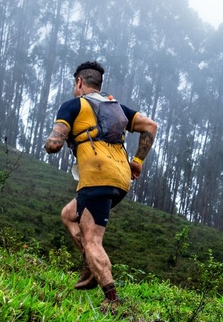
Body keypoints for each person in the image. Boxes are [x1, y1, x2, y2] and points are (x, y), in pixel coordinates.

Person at [44, 61, 158, 307]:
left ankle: (112, 300)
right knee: (68, 214)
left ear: (79, 82)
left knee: (92, 239)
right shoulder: (116, 107)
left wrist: (53, 140)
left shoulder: (73, 105)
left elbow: (54, 144)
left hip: (96, 177)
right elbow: (150, 126)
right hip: (120, 179)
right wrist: (137, 161)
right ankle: (89, 263)